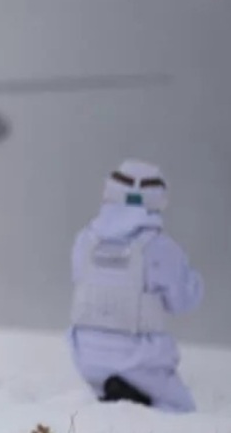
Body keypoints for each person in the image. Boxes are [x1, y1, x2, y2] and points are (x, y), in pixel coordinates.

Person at [68, 158, 204, 412]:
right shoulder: (159, 247)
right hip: (141, 357)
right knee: (181, 412)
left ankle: (113, 399)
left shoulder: (85, 241)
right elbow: (183, 301)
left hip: (86, 355)